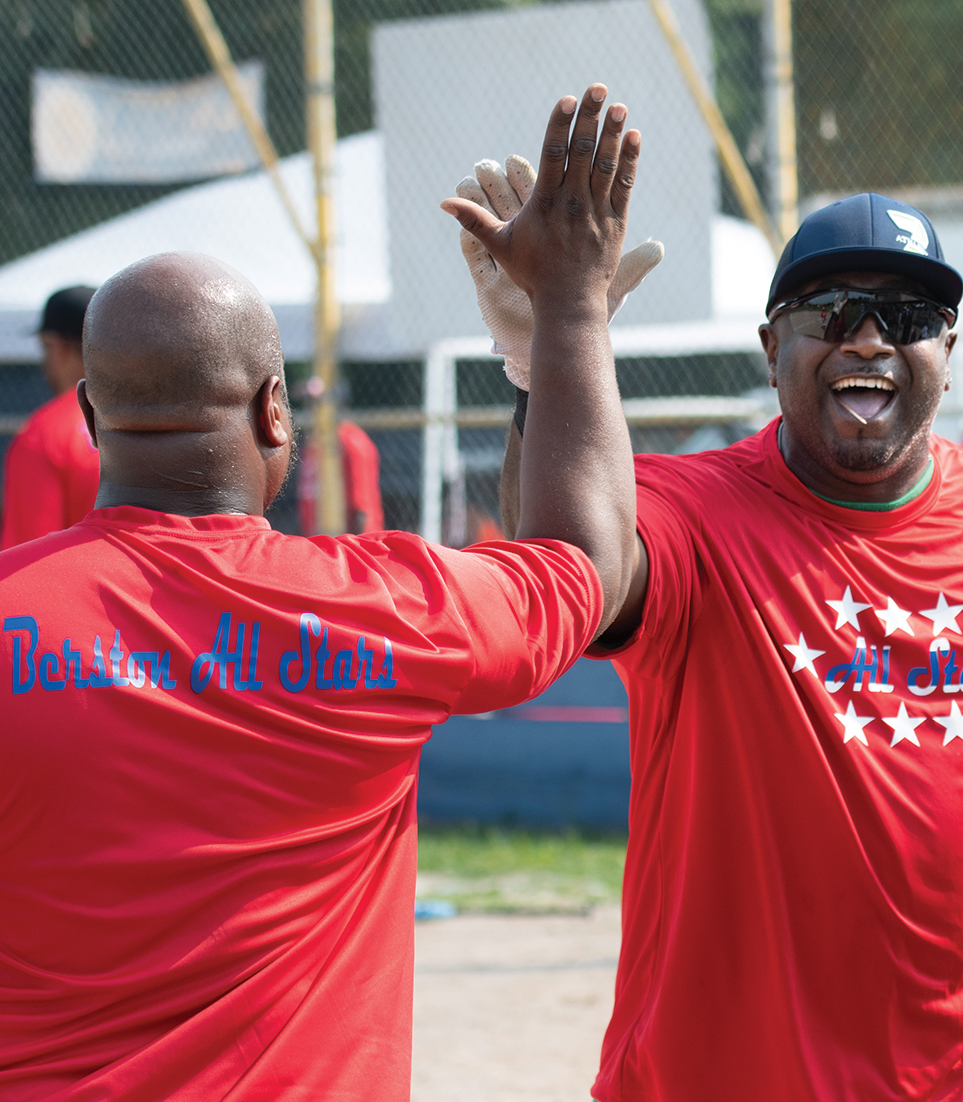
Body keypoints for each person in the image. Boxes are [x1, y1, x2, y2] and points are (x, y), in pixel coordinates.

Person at [456, 182, 963, 1099]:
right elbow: (568, 566)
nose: (868, 339)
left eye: (907, 316)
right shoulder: (687, 511)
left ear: (948, 354)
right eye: (830, 311)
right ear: (771, 349)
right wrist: (548, 350)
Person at [0, 86, 639, 1100]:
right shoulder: (382, 609)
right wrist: (563, 322)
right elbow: (585, 564)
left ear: (88, 414)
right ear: (275, 412)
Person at [0, 285, 101, 548]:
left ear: (56, 347)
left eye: (44, 349)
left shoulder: (44, 434)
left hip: (77, 574)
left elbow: (27, 552)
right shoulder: (153, 421)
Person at [297, 415, 386, 534]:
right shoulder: (315, 442)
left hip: (347, 537)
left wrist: (357, 542)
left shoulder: (350, 440)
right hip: (319, 534)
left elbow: (360, 506)